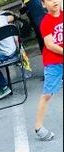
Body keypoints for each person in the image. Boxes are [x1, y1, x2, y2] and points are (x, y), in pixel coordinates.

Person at [33, 0, 63, 141]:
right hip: (54, 62)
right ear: (44, 4)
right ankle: (38, 127)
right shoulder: (46, 22)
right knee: (47, 94)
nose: (55, 1)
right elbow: (50, 45)